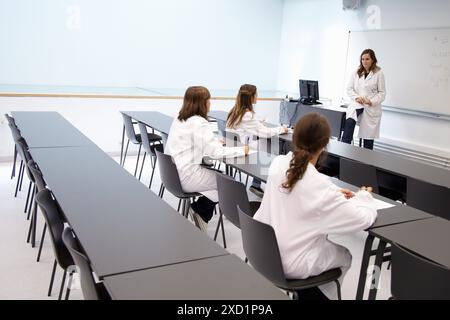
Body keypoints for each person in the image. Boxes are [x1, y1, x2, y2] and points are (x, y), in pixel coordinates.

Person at [253, 113, 377, 300]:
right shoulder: (320, 187)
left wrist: (334, 194)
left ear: (295, 138)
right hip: (290, 262)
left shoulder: (278, 163)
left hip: (262, 250)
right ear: (325, 144)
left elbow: (301, 190)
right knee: (345, 256)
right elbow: (363, 219)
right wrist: (365, 197)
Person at [166, 86, 249, 232]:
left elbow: (198, 142)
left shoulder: (180, 119)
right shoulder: (199, 122)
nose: (210, 103)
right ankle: (200, 211)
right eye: (209, 100)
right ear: (203, 103)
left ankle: (200, 210)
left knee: (221, 177)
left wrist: (215, 142)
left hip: (172, 175)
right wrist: (241, 150)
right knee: (229, 183)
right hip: (187, 176)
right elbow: (215, 153)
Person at [226, 84, 288, 197]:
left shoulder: (235, 111)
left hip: (235, 146)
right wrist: (282, 129)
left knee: (264, 143)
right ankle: (262, 183)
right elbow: (265, 132)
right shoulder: (247, 115)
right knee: (270, 145)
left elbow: (253, 128)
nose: (257, 96)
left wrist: (258, 126)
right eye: (256, 94)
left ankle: (257, 183)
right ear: (250, 97)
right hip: (242, 151)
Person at [341, 49, 386, 150]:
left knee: (368, 139)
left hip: (370, 107)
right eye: (362, 59)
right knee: (349, 123)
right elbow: (349, 89)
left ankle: (366, 162)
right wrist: (356, 97)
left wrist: (371, 101)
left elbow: (382, 93)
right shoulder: (356, 72)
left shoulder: (379, 73)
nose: (364, 61)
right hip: (357, 104)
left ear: (372, 60)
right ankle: (344, 151)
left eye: (367, 59)